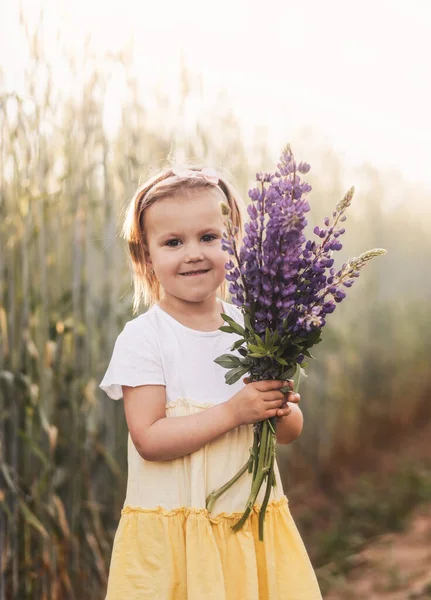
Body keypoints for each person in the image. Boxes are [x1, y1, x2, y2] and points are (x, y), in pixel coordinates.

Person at [99, 165, 322, 600]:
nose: (194, 253)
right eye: (172, 242)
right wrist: (234, 411)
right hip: (177, 540)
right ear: (147, 257)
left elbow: (290, 431)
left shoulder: (256, 326)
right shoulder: (146, 338)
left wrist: (279, 406)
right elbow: (149, 438)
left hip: (249, 527)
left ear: (236, 242)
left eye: (209, 237)